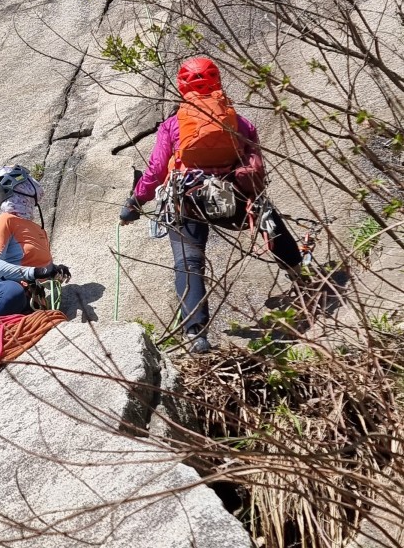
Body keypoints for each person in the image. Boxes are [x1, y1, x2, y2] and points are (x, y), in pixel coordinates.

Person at [118, 56, 303, 354]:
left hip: (188, 198)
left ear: (181, 87)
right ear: (217, 82)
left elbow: (155, 172)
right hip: (232, 197)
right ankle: (298, 272)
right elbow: (255, 165)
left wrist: (135, 203)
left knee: (189, 263)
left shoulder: (172, 125)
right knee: (267, 217)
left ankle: (196, 336)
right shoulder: (239, 121)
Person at [0, 164, 70, 318]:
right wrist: (35, 272)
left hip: (33, 298)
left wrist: (54, 270)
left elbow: (39, 271)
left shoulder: (39, 230)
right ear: (19, 187)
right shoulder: (5, 220)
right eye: (28, 180)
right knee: (13, 293)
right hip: (11, 292)